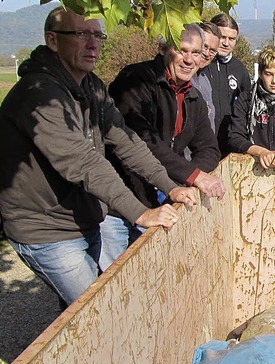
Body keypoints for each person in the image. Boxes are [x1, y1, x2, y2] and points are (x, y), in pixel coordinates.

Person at [0, 7, 198, 305]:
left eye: (97, 35)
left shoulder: (90, 85)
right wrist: (141, 213)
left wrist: (170, 185)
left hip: (84, 218)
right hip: (46, 230)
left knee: (79, 319)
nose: (93, 44)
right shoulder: (39, 94)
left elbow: (126, 141)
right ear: (52, 40)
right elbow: (83, 162)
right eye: (81, 34)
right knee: (99, 310)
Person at [103, 23, 225, 270]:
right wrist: (192, 175)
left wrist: (185, 180)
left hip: (157, 203)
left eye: (197, 53)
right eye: (182, 51)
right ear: (162, 49)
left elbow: (209, 149)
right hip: (118, 203)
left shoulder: (193, 97)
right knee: (109, 282)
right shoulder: (135, 81)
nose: (189, 60)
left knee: (147, 278)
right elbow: (141, 140)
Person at [207, 13, 252, 156]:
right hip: (202, 144)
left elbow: (247, 107)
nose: (226, 43)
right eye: (222, 37)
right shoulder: (201, 65)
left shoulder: (240, 69)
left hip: (230, 144)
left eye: (231, 39)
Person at [192, 22, 222, 133]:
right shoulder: (182, 79)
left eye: (212, 50)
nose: (207, 53)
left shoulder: (205, 81)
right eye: (204, 47)